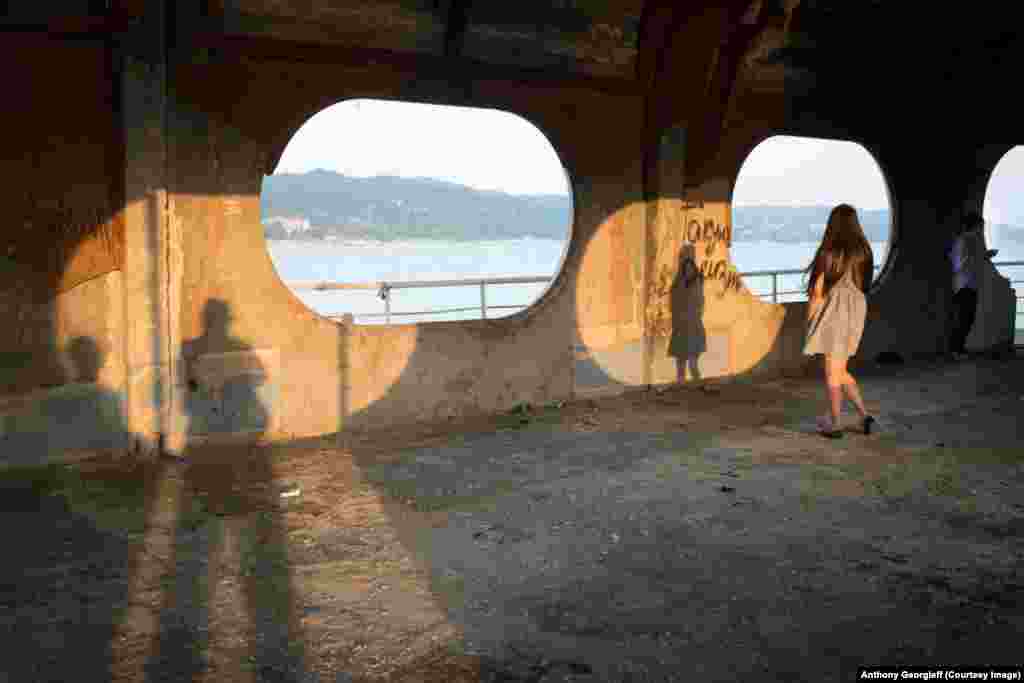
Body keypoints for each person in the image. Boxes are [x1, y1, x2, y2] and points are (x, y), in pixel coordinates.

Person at [803, 204, 877, 439]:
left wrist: (811, 322)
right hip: (856, 312)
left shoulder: (829, 252)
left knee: (832, 373)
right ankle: (864, 415)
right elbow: (865, 285)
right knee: (840, 369)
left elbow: (816, 293)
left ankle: (835, 423)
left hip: (834, 314)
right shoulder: (865, 252)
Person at [947, 211, 998, 360]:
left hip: (968, 284)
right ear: (975, 226)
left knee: (967, 318)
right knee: (964, 318)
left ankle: (959, 349)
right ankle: (956, 350)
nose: (982, 229)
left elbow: (966, 261)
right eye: (981, 226)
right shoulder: (964, 240)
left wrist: (983, 256)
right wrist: (980, 257)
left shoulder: (968, 240)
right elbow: (959, 264)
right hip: (964, 285)